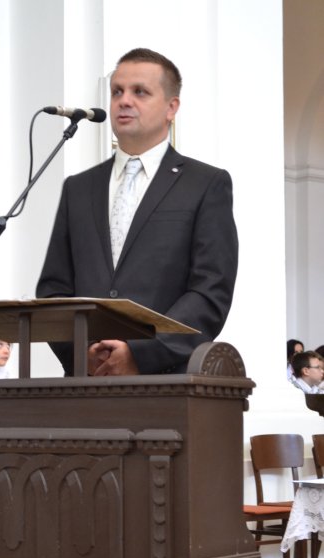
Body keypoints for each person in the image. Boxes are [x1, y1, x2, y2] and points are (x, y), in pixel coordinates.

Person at [36, 47, 238, 376]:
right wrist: (83, 353)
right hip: (85, 384)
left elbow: (209, 291)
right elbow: (53, 290)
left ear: (172, 107)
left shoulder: (205, 184)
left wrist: (141, 353)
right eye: (117, 91)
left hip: (165, 381)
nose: (124, 101)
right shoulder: (78, 188)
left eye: (140, 92)